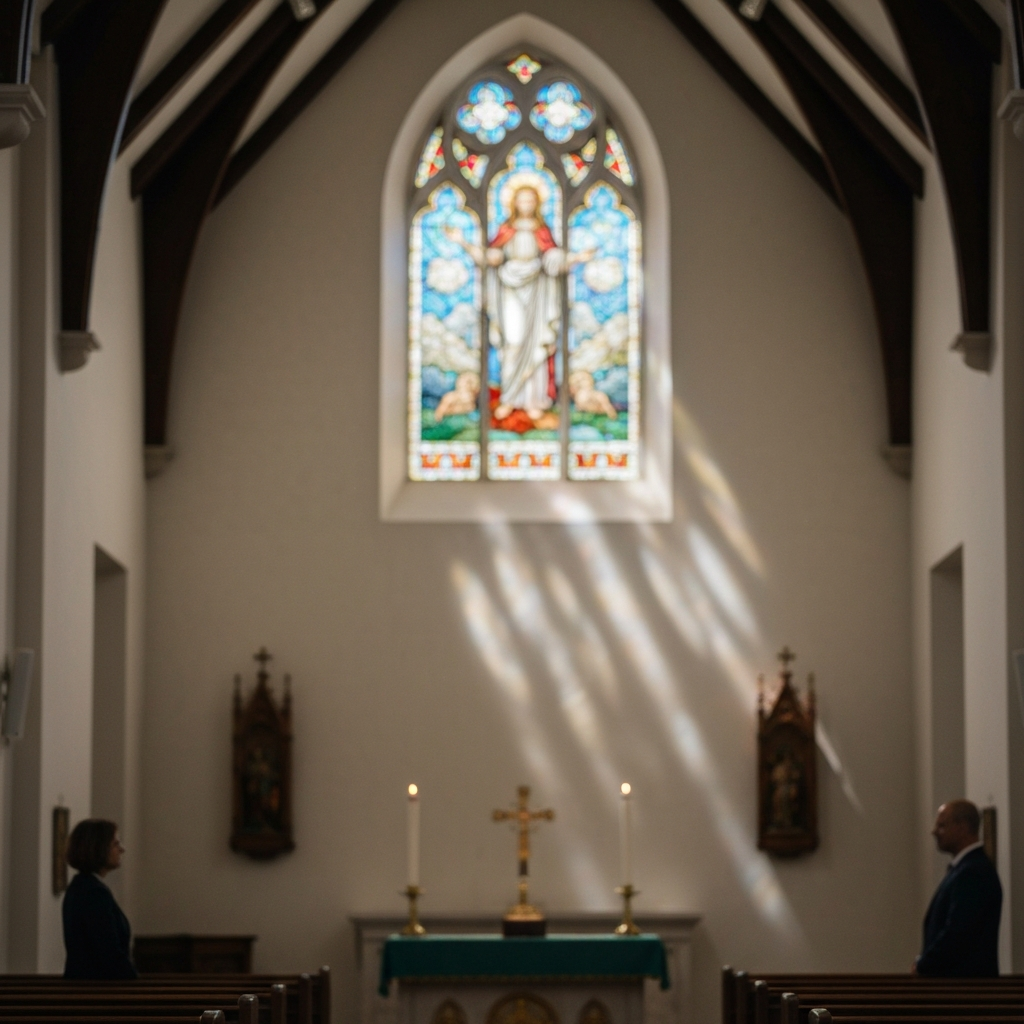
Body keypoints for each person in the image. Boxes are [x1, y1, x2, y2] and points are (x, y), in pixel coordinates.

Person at [446, 186, 592, 424]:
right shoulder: (506, 230)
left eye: (531, 201)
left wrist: (576, 258)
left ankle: (535, 401)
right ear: (514, 203)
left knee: (536, 345)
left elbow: (552, 259)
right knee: (513, 343)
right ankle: (510, 398)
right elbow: (491, 257)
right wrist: (462, 241)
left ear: (537, 204)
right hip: (509, 290)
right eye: (522, 201)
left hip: (538, 293)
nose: (526, 205)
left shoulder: (542, 231)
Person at [914, 799, 1001, 977]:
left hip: (964, 987)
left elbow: (958, 933)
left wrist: (923, 965)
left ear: (962, 828)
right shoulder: (966, 868)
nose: (934, 832)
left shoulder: (974, 872)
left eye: (942, 826)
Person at [62, 818, 138, 979]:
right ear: (99, 848)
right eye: (116, 844)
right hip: (97, 989)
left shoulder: (82, 886)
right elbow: (108, 951)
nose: (122, 849)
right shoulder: (93, 892)